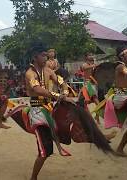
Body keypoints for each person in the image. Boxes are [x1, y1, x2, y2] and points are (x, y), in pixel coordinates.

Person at [24, 44, 75, 180]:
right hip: (37, 111)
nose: (45, 57)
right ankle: (33, 178)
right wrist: (57, 95)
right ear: (35, 57)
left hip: (50, 109)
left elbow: (61, 82)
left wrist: (64, 90)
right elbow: (37, 90)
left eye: (46, 54)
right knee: (45, 150)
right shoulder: (30, 73)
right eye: (43, 55)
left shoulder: (49, 71)